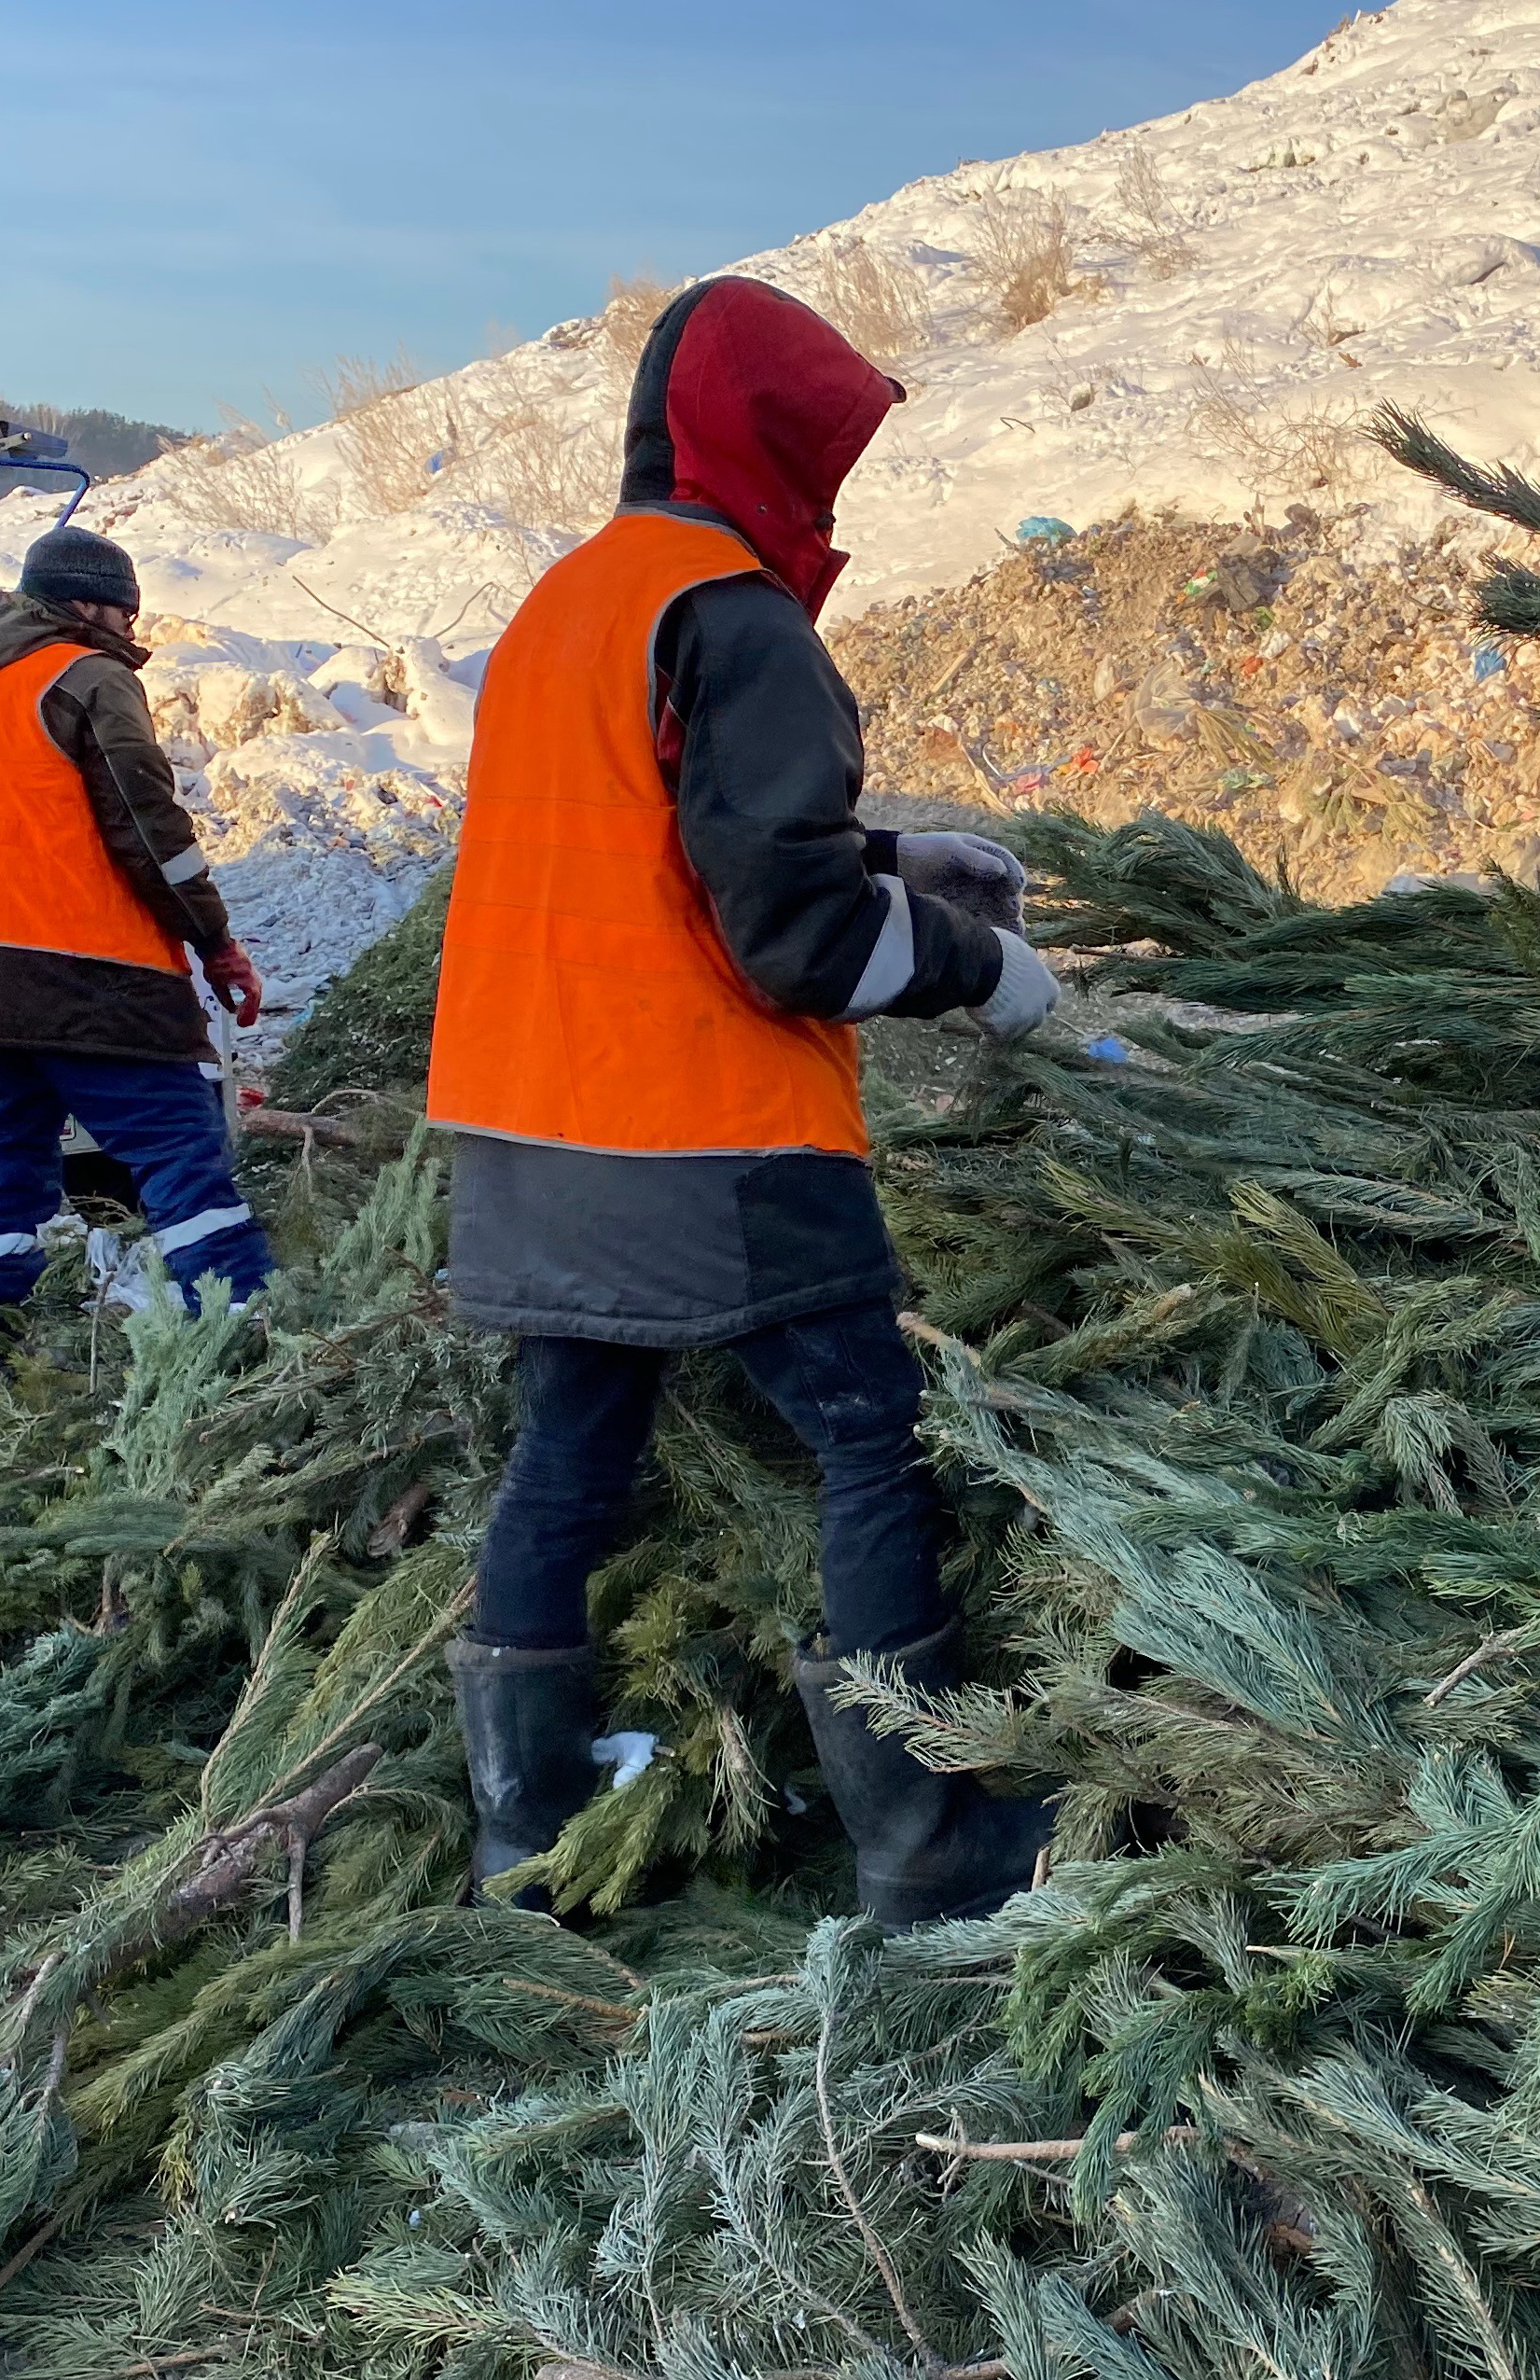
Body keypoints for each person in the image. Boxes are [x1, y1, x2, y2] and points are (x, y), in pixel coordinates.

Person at [423, 275, 1062, 1928]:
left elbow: (656, 851)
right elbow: (788, 945)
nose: (832, 492)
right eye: (823, 453)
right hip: (704, 1136)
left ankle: (527, 1831)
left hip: (522, 1132)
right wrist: (980, 971)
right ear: (771, 442)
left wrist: (895, 853)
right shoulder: (739, 614)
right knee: (866, 1432)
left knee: (565, 1449)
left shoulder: (569, 604)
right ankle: (922, 1839)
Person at [0, 525, 271, 1316]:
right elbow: (152, 834)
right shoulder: (86, 676)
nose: (131, 633)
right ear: (84, 605)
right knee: (177, 1144)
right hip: (74, 967)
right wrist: (213, 942)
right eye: (125, 614)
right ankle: (239, 1316)